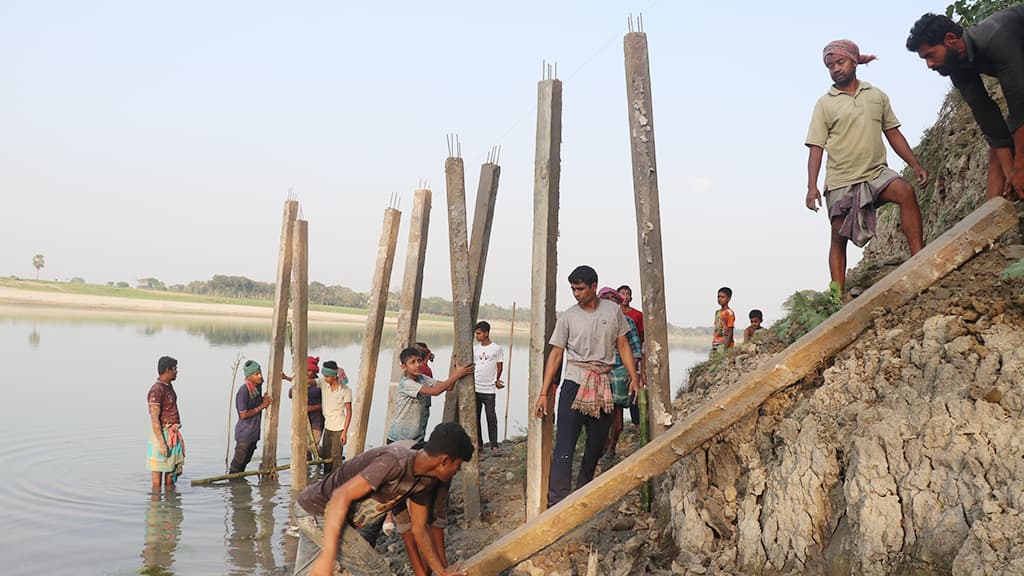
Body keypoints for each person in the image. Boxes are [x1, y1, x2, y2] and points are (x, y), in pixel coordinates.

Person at [806, 40, 928, 295]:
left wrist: (914, 164)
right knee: (838, 236)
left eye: (840, 62)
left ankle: (920, 259)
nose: (835, 69)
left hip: (876, 173)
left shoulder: (876, 95)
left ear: (854, 61)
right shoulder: (825, 103)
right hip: (841, 180)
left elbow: (893, 133)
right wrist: (812, 187)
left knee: (905, 192)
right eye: (830, 66)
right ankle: (837, 296)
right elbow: (816, 146)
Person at [291, 422, 474, 576]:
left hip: (317, 511)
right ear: (444, 460)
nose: (456, 471)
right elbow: (340, 496)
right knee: (377, 571)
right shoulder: (394, 462)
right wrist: (328, 555)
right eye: (457, 465)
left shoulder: (424, 481)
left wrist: (441, 571)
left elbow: (419, 529)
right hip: (318, 510)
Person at [533, 265, 641, 508]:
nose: (576, 294)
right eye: (573, 289)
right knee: (564, 444)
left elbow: (623, 345)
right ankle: (557, 501)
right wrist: (543, 393)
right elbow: (556, 354)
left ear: (594, 287)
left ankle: (582, 494)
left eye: (580, 289)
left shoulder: (613, 312)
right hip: (574, 382)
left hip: (603, 384)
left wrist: (634, 377)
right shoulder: (568, 316)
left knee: (595, 444)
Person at [906, 8, 1024, 200]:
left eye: (930, 55)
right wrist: (1012, 174)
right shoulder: (956, 65)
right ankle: (991, 219)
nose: (929, 65)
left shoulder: (994, 37)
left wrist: (1020, 167)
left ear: (950, 39)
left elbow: (1020, 106)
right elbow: (989, 121)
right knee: (998, 154)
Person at [387, 347, 474, 444]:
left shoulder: (423, 378)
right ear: (404, 367)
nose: (417, 365)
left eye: (419, 361)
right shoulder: (406, 384)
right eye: (413, 362)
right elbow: (435, 391)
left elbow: (448, 387)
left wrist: (456, 369)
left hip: (417, 437)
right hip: (399, 438)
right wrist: (457, 374)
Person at [597, 287, 643, 461]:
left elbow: (636, 350)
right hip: (599, 371)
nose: (610, 301)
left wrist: (633, 374)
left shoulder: (628, 322)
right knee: (598, 411)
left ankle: (612, 446)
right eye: (606, 298)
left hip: (619, 369)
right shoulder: (596, 321)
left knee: (616, 411)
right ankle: (603, 444)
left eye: (613, 299)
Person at [147, 356, 184, 489]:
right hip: (161, 434)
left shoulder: (168, 386)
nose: (177, 372)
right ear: (168, 370)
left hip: (171, 434)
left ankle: (170, 507)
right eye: (175, 369)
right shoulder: (156, 390)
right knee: (157, 481)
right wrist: (162, 443)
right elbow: (154, 418)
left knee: (170, 476)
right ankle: (156, 507)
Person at [229, 360, 272, 474]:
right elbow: (243, 414)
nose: (260, 376)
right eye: (256, 374)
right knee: (237, 466)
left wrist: (264, 399)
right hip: (245, 434)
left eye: (260, 372)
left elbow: (262, 382)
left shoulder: (256, 388)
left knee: (245, 461)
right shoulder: (244, 391)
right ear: (249, 376)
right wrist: (262, 406)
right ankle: (234, 487)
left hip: (253, 434)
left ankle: (239, 488)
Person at [472, 320, 504, 454]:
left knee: (491, 417)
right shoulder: (475, 348)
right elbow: (474, 365)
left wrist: (496, 380)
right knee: (476, 417)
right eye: (476, 334)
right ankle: (479, 444)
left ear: (486, 333)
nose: (477, 336)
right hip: (476, 387)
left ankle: (494, 445)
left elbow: (499, 365)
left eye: (479, 333)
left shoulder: (496, 348)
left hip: (489, 389)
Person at [617, 285, 645, 426]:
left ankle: (637, 424)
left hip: (633, 355)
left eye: (628, 294)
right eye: (622, 294)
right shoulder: (612, 315)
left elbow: (640, 338)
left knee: (634, 388)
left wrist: (636, 362)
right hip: (616, 359)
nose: (625, 297)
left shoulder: (636, 316)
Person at [320, 360, 353, 474]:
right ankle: (325, 479)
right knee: (326, 456)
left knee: (336, 457)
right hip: (328, 427)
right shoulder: (324, 385)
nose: (325, 378)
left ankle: (336, 480)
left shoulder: (345, 390)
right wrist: (287, 378)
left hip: (339, 428)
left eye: (327, 376)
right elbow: (309, 381)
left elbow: (349, 411)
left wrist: (344, 432)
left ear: (334, 377)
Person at [287, 356, 324, 454]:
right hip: (303, 420)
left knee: (313, 446)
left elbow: (326, 405)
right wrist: (298, 387)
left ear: (315, 372)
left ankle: (325, 455)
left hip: (317, 421)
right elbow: (290, 394)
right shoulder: (302, 382)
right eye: (305, 370)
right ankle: (307, 467)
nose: (306, 373)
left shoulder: (320, 384)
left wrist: (310, 408)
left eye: (309, 371)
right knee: (302, 448)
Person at [711, 287, 736, 356]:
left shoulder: (729, 313)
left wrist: (726, 347)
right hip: (715, 343)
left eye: (722, 297)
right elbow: (717, 329)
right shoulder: (717, 312)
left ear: (729, 299)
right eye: (718, 297)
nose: (719, 299)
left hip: (724, 344)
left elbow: (730, 331)